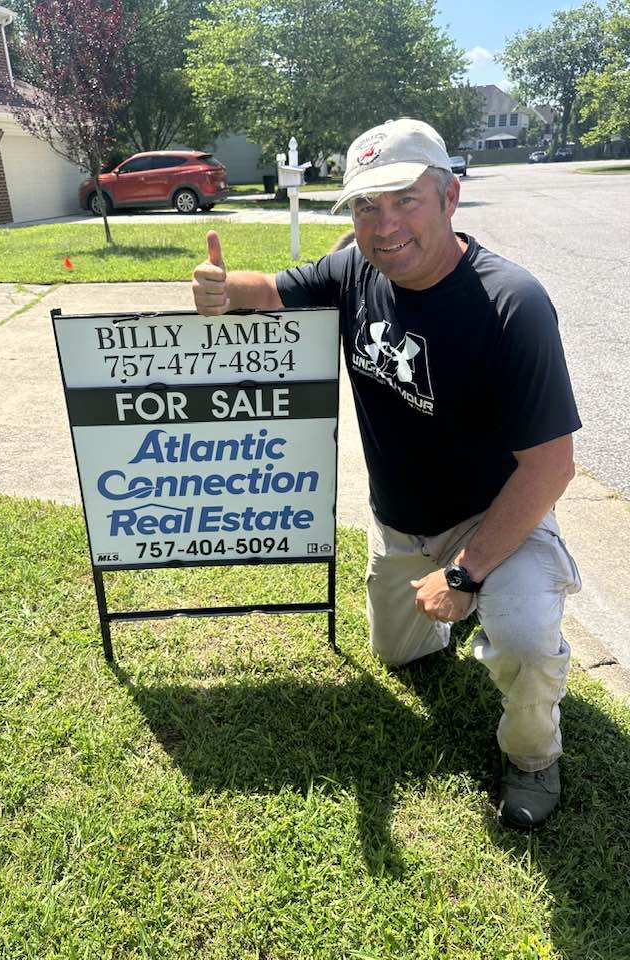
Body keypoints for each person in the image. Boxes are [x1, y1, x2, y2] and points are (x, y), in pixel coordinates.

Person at [191, 118, 582, 830]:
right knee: (399, 656)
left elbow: (552, 467)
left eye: (405, 200)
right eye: (367, 206)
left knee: (525, 638)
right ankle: (461, 605)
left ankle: (533, 757)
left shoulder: (512, 304)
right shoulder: (353, 269)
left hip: (496, 517)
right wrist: (222, 290)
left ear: (448, 197)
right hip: (401, 523)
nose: (385, 225)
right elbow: (272, 290)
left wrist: (465, 572)